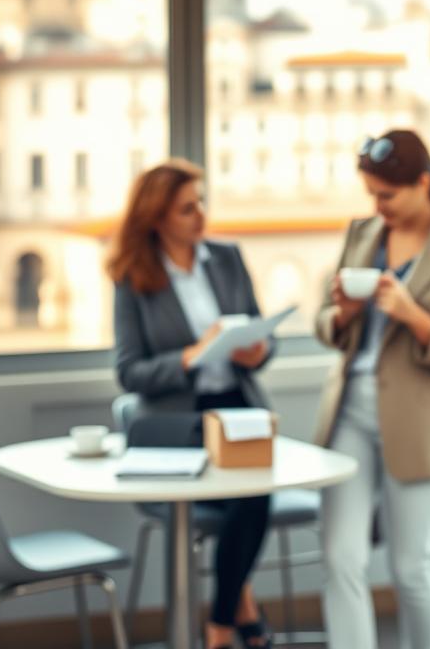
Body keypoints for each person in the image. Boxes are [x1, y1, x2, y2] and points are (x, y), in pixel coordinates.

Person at [313, 129, 430, 649]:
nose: (377, 206)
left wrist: (411, 315)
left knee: (411, 568)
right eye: (372, 195)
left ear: (424, 183)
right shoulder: (362, 234)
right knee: (341, 559)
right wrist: (342, 313)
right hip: (348, 416)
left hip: (418, 422)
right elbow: (323, 324)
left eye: (387, 195)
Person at [109, 158, 273, 649]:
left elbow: (263, 334)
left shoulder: (226, 258)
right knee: (248, 498)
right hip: (179, 421)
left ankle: (221, 622)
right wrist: (190, 356)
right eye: (186, 208)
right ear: (156, 217)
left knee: (254, 491)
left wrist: (257, 350)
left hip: (237, 406)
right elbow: (129, 371)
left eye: (201, 202)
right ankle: (232, 616)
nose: (200, 215)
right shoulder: (133, 279)